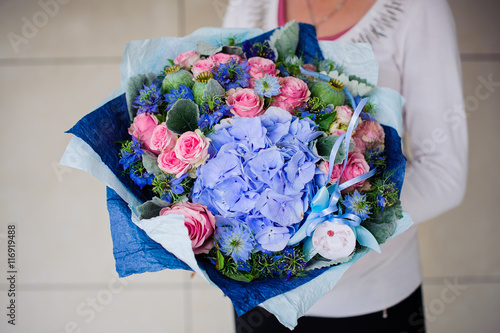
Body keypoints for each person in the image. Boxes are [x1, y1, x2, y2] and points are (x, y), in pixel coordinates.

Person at [223, 0, 468, 332]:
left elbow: (443, 174)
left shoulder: (418, 9)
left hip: (367, 303)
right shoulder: (248, 6)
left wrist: (333, 225)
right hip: (262, 301)